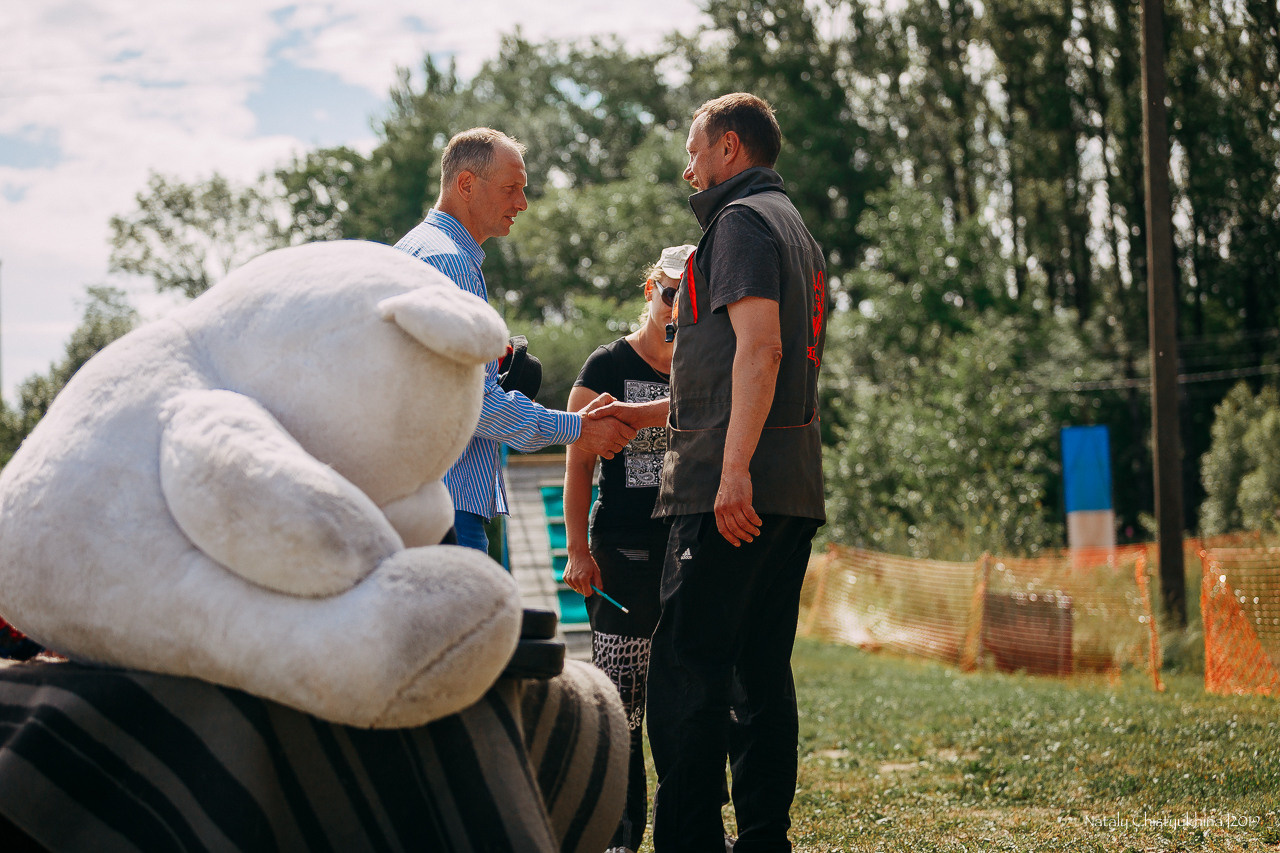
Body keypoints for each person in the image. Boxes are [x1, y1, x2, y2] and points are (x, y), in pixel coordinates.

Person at [592, 92, 828, 852]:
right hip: (791, 483)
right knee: (761, 673)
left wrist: (730, 475)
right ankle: (764, 838)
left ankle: (690, 841)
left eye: (695, 148)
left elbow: (762, 352)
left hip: (731, 492)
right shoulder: (795, 230)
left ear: (730, 147)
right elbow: (727, 373)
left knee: (687, 673)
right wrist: (638, 414)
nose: (688, 166)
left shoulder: (739, 223)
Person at [394, 128, 636, 553]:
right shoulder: (450, 262)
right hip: (445, 508)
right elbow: (473, 404)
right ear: (466, 184)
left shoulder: (415, 249)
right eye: (511, 189)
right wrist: (577, 428)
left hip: (417, 498)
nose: (522, 204)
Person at [561, 244, 695, 853]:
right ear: (651, 290)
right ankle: (619, 835)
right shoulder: (608, 364)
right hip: (621, 549)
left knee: (683, 700)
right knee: (621, 704)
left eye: (691, 297)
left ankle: (683, 830)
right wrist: (579, 549)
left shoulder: (702, 364)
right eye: (671, 293)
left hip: (687, 551)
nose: (678, 308)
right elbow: (578, 465)